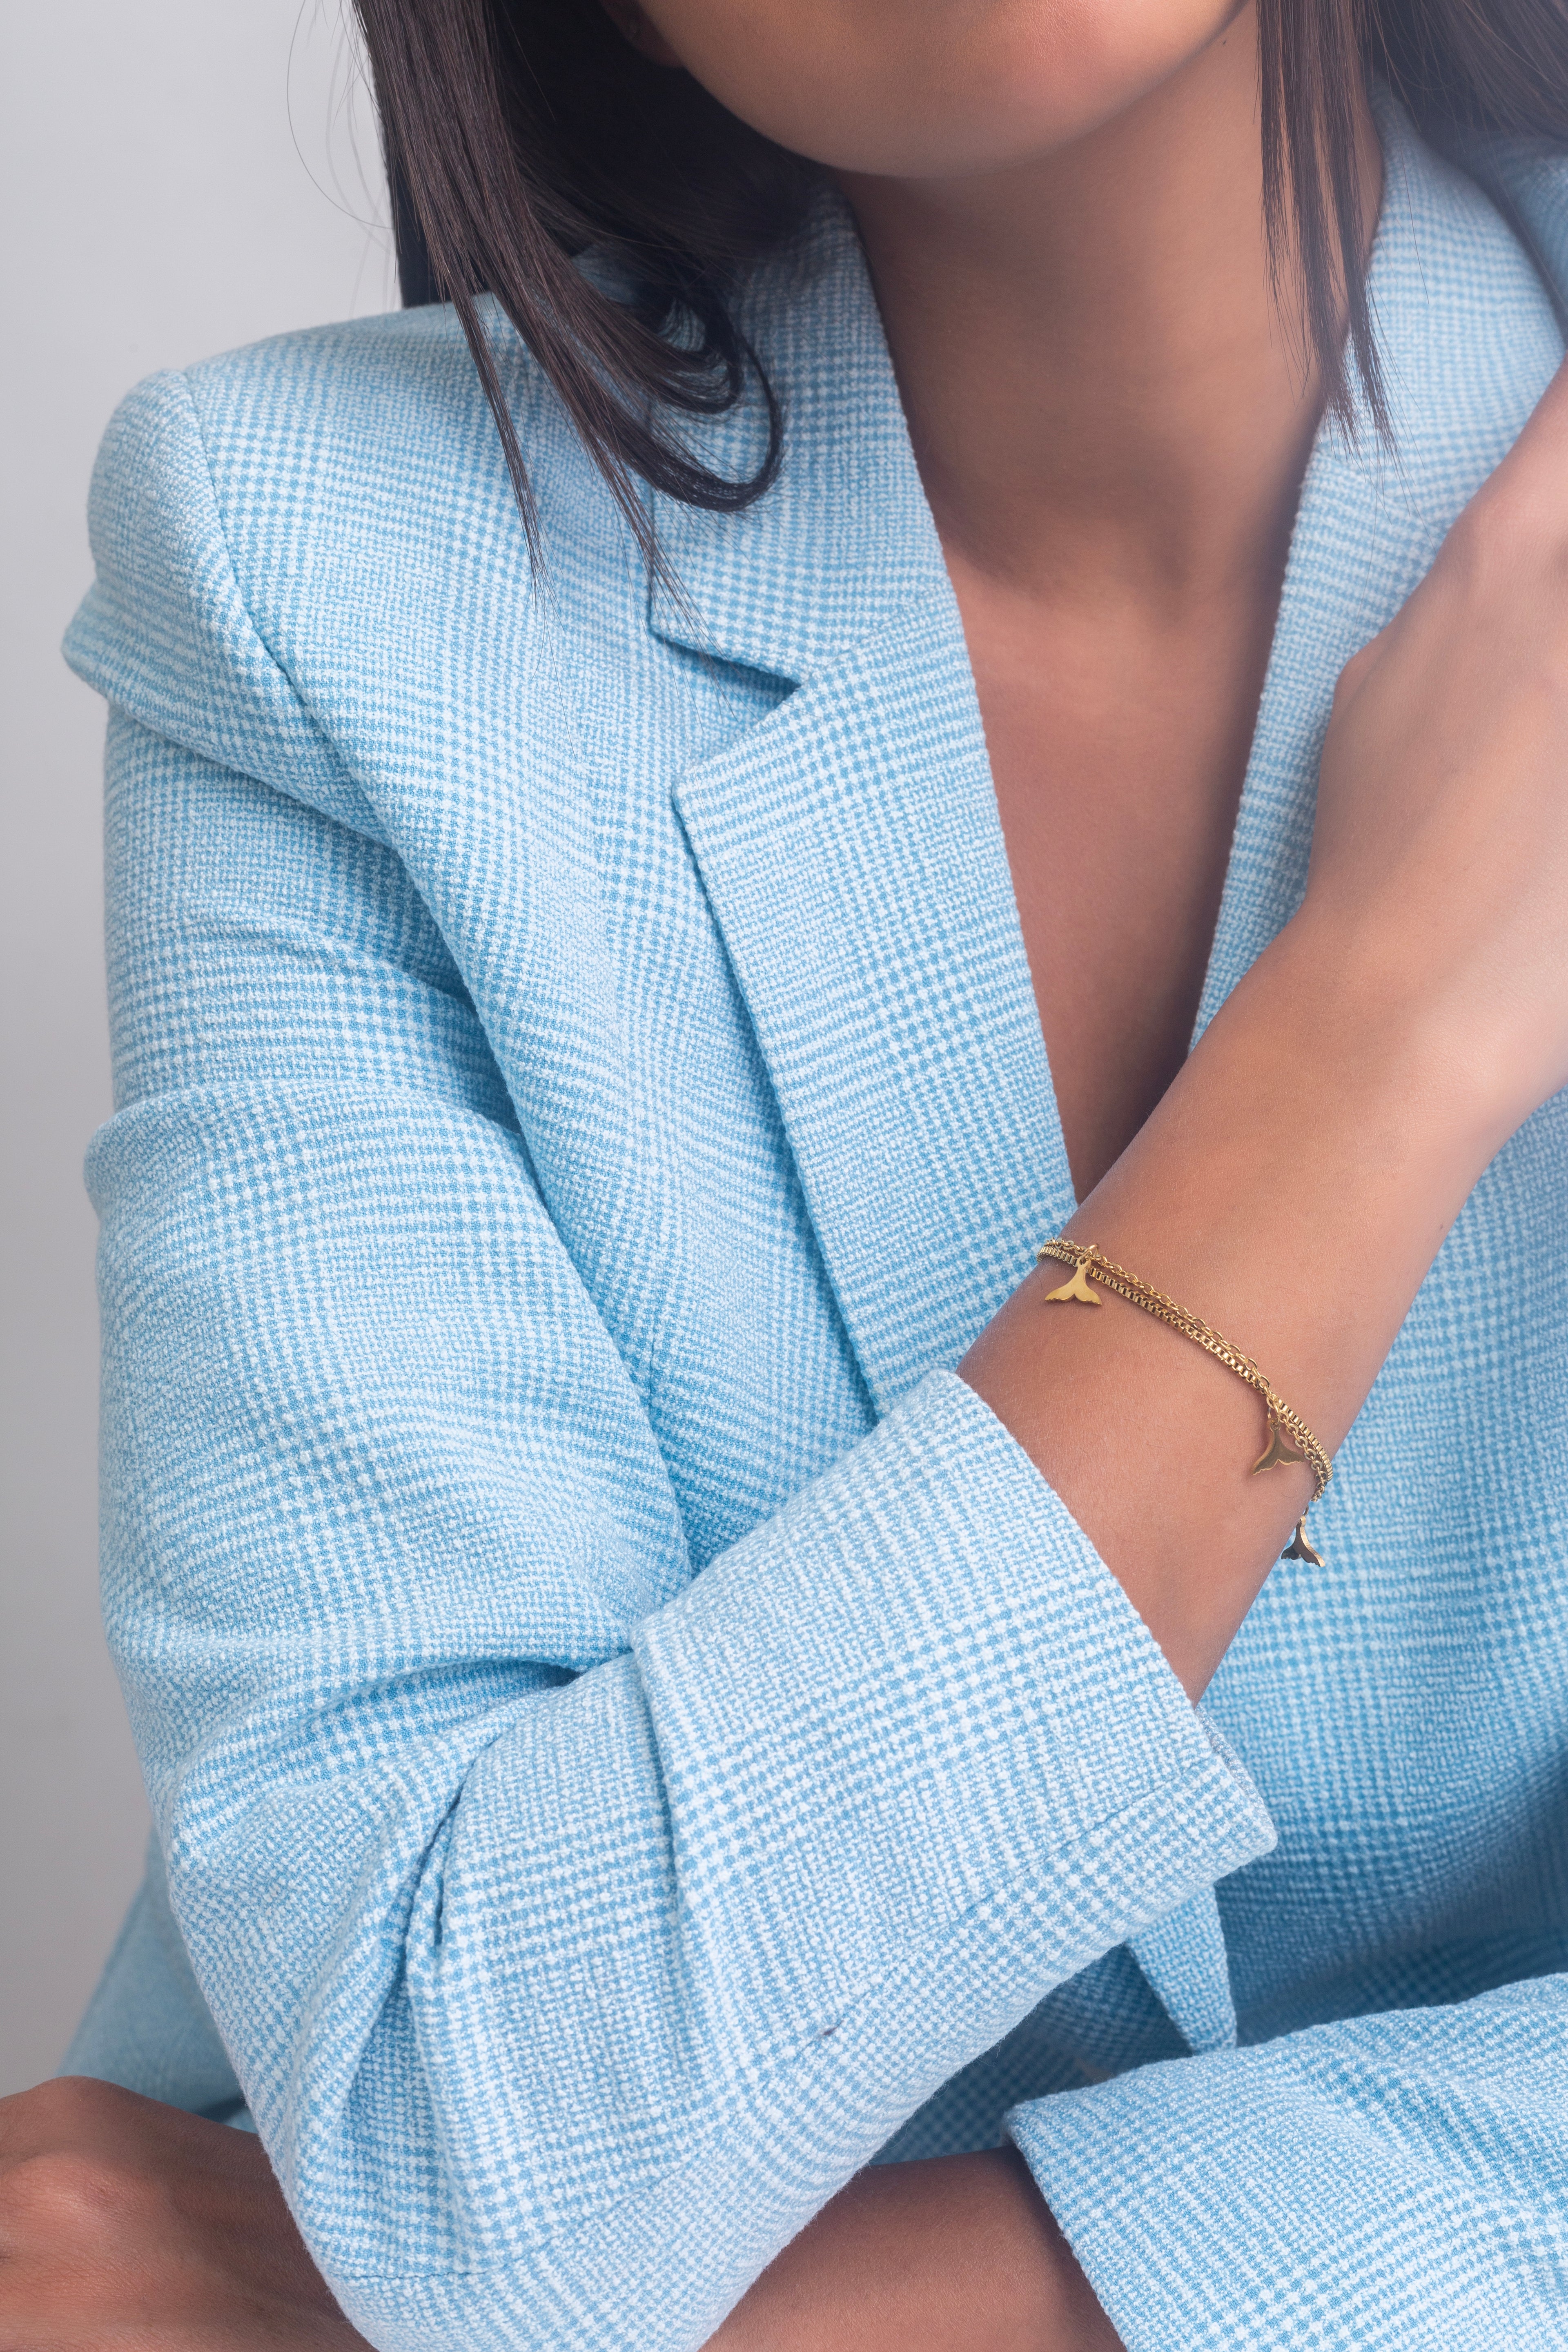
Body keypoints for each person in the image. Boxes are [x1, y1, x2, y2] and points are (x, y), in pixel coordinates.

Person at [5, 0, 1568, 2342]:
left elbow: (456, 2273)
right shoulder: (316, 574)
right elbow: (465, 2138)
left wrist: (800, 2310)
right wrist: (1379, 1030)